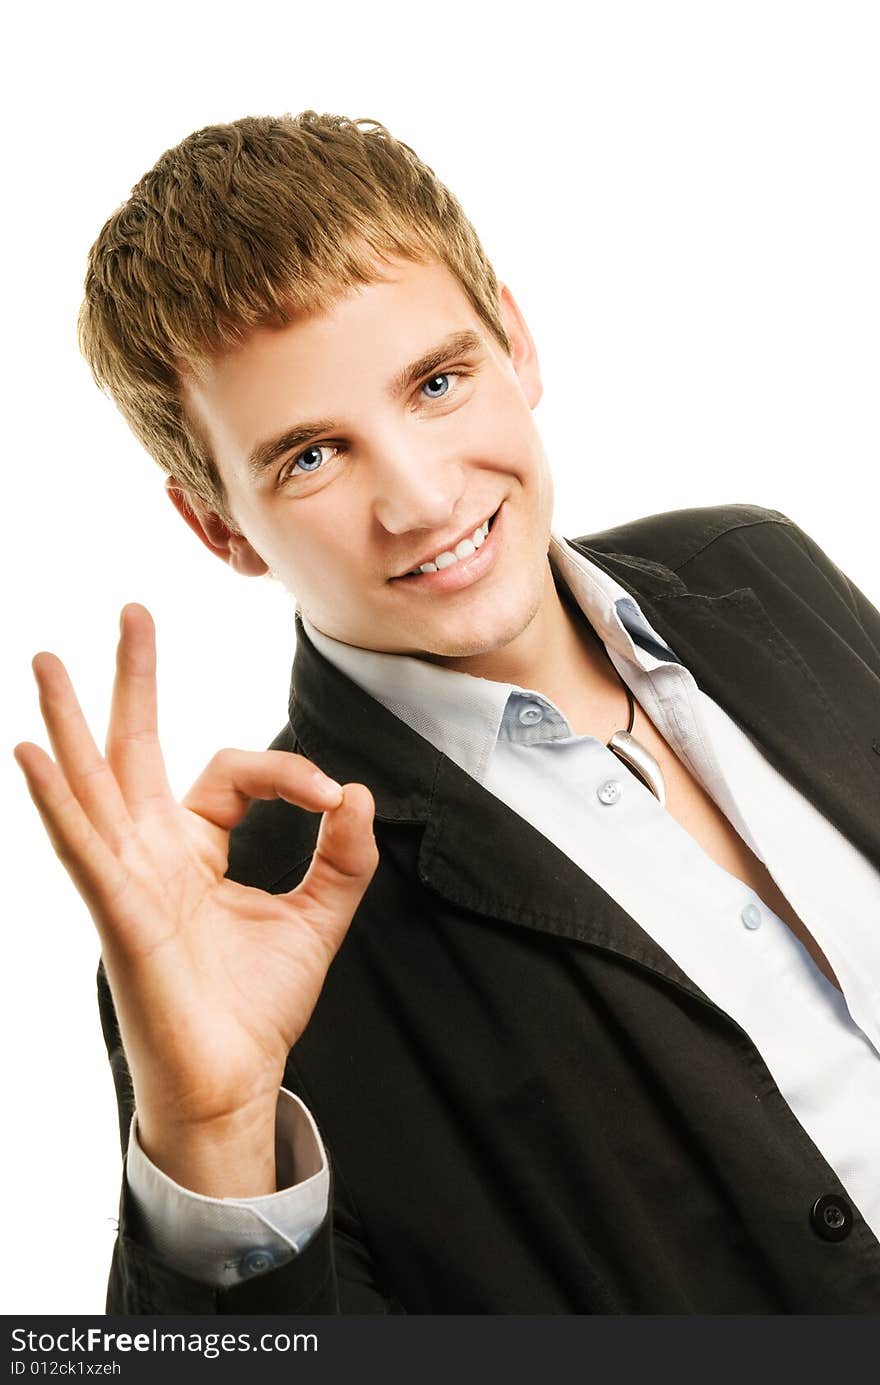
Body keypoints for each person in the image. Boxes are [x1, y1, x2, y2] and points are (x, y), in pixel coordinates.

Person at [15, 111, 880, 1315]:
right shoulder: (241, 911)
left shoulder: (757, 566)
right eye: (311, 456)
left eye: (435, 381)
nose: (420, 499)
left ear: (513, 342)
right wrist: (209, 1138)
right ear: (217, 525)